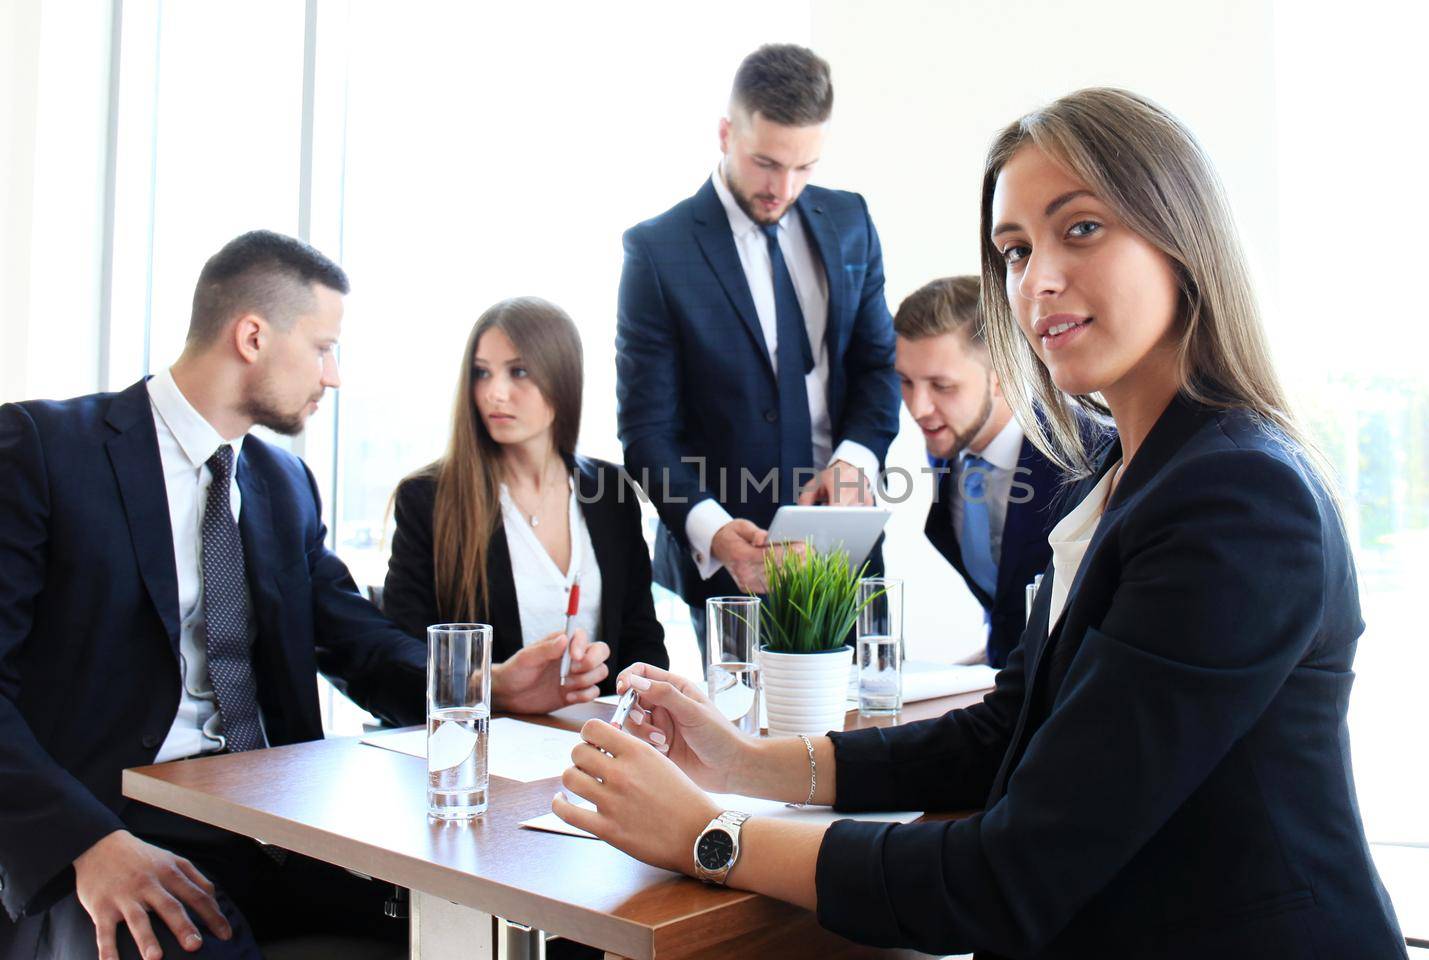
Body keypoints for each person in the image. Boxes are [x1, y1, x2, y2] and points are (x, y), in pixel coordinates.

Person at [553, 89, 1409, 959]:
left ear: (1182, 238)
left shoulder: (1238, 504)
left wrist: (714, 833)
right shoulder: (1133, 474)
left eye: (1080, 229)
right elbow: (1009, 730)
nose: (1036, 281)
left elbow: (1012, 874)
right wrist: (743, 761)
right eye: (1014, 249)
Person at [0, 231, 554, 960]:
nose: (334, 375)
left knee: (494, 924)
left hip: (269, 825)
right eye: (323, 347)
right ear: (253, 336)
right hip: (114, 826)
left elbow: (351, 636)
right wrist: (89, 843)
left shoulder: (283, 484)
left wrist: (483, 684)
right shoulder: (43, 448)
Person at [615, 43, 899, 646]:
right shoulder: (658, 252)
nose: (783, 188)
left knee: (865, 732)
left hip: (845, 546)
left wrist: (855, 460)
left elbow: (877, 368)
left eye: (804, 168)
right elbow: (646, 433)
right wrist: (712, 530)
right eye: (766, 163)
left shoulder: (851, 221)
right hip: (731, 559)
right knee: (742, 735)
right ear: (725, 133)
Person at [383, 297, 669, 701]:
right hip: (489, 743)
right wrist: (492, 684)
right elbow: (402, 655)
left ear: (562, 378)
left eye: (518, 372)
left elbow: (644, 640)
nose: (494, 394)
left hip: (598, 740)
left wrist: (620, 684)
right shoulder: (428, 498)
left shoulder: (612, 491)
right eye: (482, 373)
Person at [893, 275, 1080, 667]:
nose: (918, 408)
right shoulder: (949, 449)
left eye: (942, 386)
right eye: (906, 382)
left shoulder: (1088, 457)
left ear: (1004, 377)